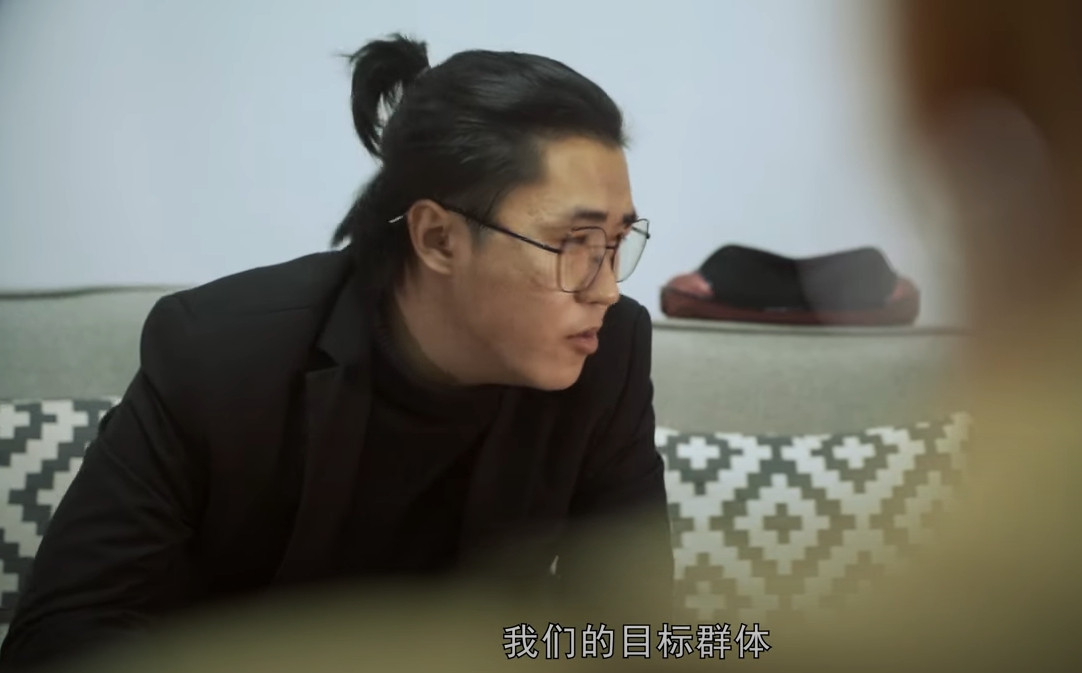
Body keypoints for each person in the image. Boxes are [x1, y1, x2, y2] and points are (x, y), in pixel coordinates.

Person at [0, 34, 673, 671]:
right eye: (574, 245)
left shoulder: (607, 354)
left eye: (616, 243)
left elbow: (632, 632)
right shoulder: (221, 353)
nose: (607, 289)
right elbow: (63, 636)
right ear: (437, 238)